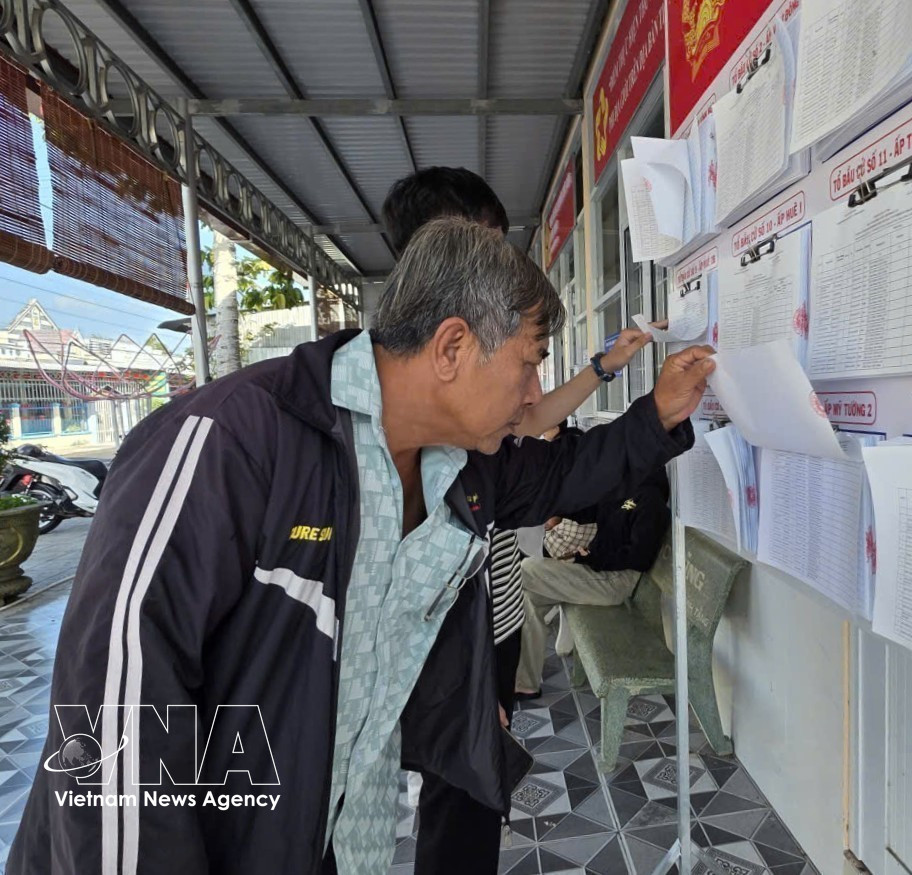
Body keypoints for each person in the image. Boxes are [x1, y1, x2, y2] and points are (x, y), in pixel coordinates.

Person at [8, 217, 714, 874]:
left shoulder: (463, 465)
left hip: (348, 836)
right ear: (452, 347)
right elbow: (115, 709)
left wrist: (657, 413)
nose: (534, 395)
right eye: (529, 363)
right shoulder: (231, 443)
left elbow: (566, 471)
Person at [379, 168, 655, 871]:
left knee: (469, 800)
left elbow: (534, 426)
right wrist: (455, 695)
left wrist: (604, 368)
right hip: (451, 652)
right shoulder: (399, 418)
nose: (508, 266)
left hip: (490, 628)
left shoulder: (475, 411)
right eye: (489, 246)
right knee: (455, 807)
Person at [515, 466, 671, 697]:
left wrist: (594, 557)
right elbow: (592, 511)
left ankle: (488, 638)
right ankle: (525, 685)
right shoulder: (623, 491)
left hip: (615, 582)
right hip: (596, 571)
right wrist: (559, 513)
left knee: (526, 569)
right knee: (530, 599)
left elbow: (640, 558)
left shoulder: (649, 501)